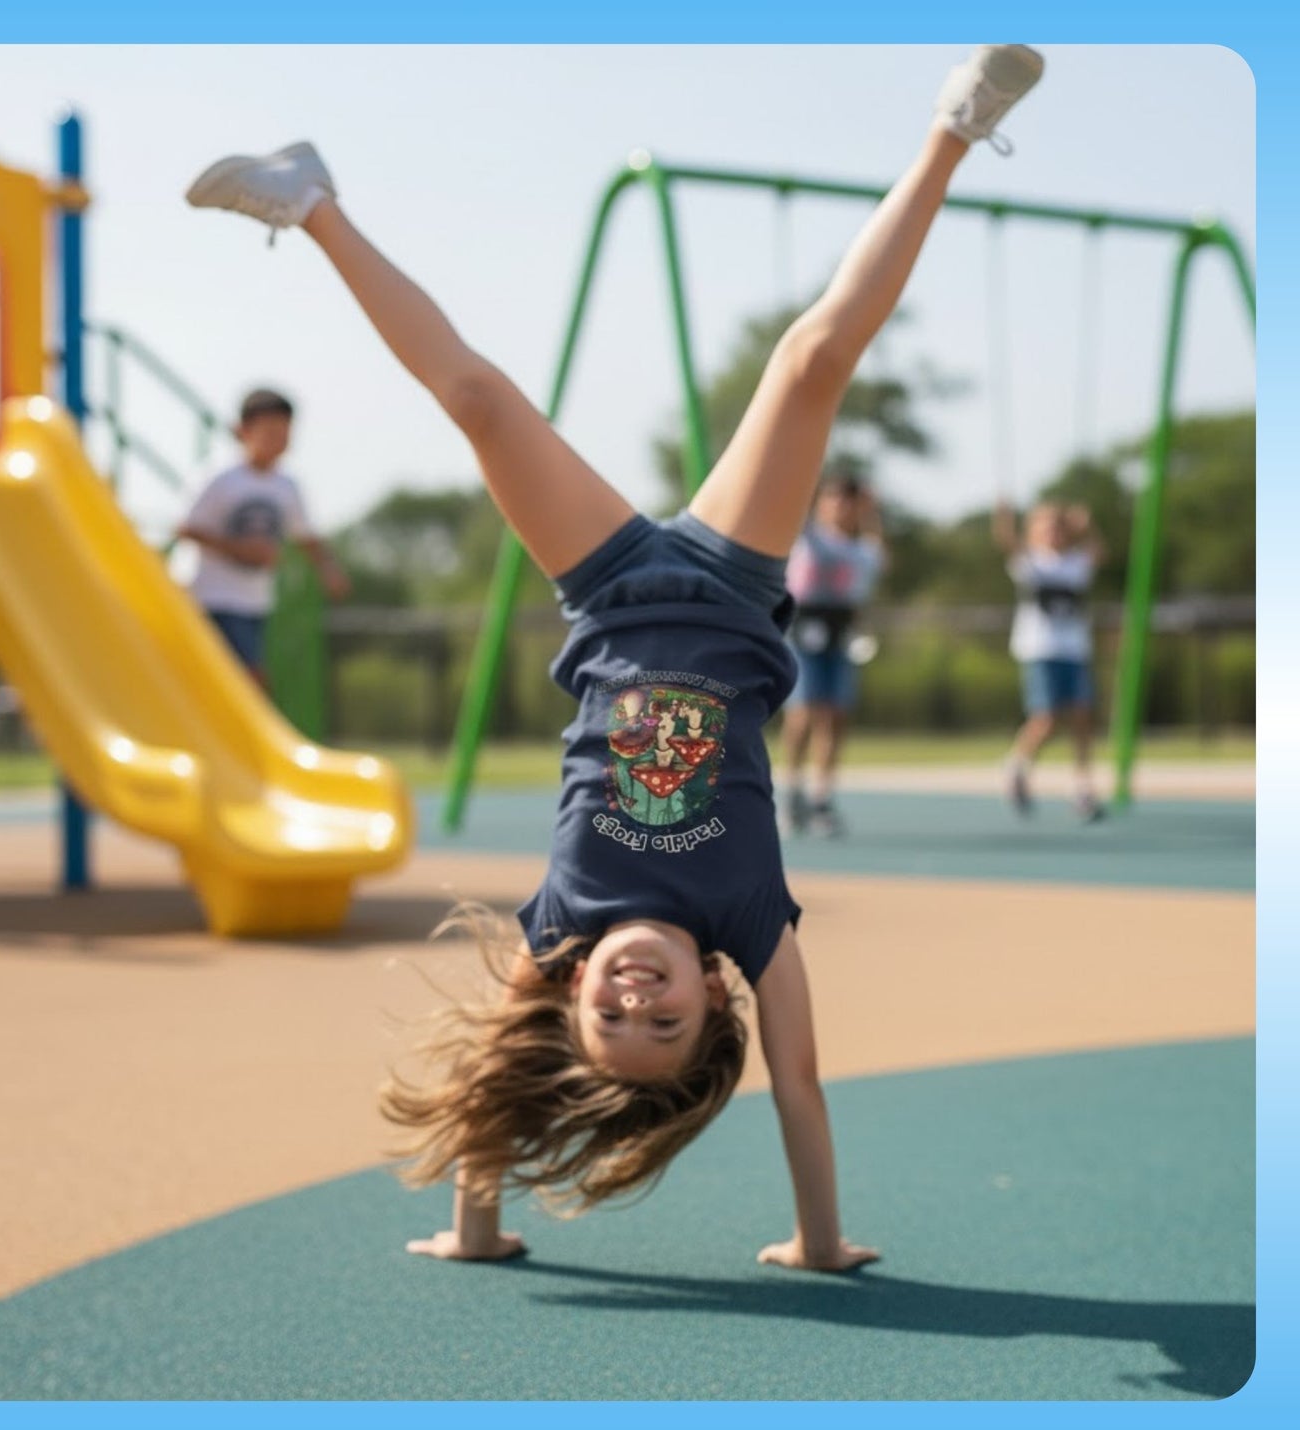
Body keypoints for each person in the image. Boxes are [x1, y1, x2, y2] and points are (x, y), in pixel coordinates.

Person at [186, 44, 1044, 1268]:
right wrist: (818, 1241)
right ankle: (956, 130)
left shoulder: (560, 920)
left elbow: (493, 1079)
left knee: (478, 401)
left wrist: (474, 1230)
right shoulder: (750, 919)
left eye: (611, 1011)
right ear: (710, 996)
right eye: (663, 1015)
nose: (634, 995)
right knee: (810, 361)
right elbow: (797, 1085)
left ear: (577, 984)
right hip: (734, 587)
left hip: (606, 591)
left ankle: (310, 201)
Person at [177, 387, 350, 686]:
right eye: (270, 432)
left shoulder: (287, 486)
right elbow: (186, 527)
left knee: (237, 681)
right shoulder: (219, 478)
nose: (278, 441)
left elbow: (305, 535)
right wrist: (239, 549)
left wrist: (328, 569)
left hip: (254, 599)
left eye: (284, 433)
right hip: (208, 597)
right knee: (249, 679)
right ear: (243, 431)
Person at [779, 472, 886, 837]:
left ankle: (821, 797)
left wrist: (872, 510)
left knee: (835, 717)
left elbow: (876, 552)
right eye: (833, 498)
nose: (840, 506)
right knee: (804, 713)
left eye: (848, 500)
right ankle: (791, 791)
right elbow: (794, 511)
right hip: (803, 635)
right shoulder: (808, 539)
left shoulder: (861, 550)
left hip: (840, 638)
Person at [992, 497, 1106, 821]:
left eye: (1059, 526)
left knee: (1083, 717)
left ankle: (1082, 786)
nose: (1054, 532)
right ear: (1035, 531)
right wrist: (1004, 518)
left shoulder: (1075, 563)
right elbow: (1007, 541)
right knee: (1047, 718)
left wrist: (1088, 526)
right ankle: (1017, 765)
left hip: (1075, 650)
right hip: (1040, 650)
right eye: (1047, 526)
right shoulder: (1031, 562)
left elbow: (1099, 552)